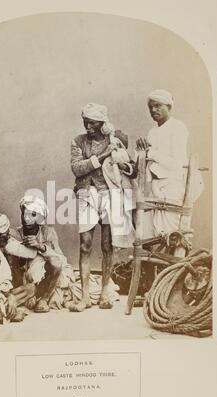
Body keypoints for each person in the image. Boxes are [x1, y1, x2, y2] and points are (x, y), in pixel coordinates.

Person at [70, 102, 137, 312]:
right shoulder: (78, 141)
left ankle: (106, 292)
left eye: (91, 122)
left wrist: (120, 161)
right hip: (86, 193)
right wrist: (102, 155)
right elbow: (77, 169)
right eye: (85, 122)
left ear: (101, 122)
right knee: (85, 245)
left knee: (108, 244)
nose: (87, 126)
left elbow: (132, 169)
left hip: (109, 194)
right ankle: (85, 297)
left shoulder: (114, 141)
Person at [4, 193, 74, 313]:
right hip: (23, 279)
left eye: (33, 215)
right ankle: (25, 294)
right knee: (10, 255)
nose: (27, 218)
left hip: (46, 278)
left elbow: (61, 260)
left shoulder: (48, 232)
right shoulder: (16, 233)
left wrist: (40, 247)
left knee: (56, 263)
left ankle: (44, 299)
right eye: (24, 214)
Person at [136, 89, 190, 237]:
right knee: (151, 233)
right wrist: (141, 151)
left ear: (169, 107)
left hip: (173, 185)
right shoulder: (152, 132)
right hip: (155, 186)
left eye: (158, 105)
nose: (153, 110)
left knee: (170, 233)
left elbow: (176, 163)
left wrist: (150, 152)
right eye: (151, 107)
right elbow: (148, 161)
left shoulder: (178, 127)